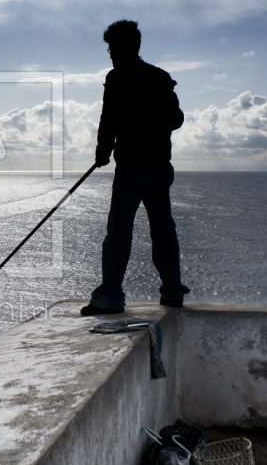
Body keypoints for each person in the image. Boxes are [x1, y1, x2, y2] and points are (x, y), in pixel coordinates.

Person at [81, 20, 189, 316]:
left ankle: (110, 297)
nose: (110, 54)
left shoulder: (118, 77)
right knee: (164, 230)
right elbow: (177, 120)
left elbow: (109, 119)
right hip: (160, 168)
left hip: (131, 169)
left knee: (118, 233)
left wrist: (102, 153)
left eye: (111, 48)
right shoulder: (160, 77)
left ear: (121, 47)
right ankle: (172, 292)